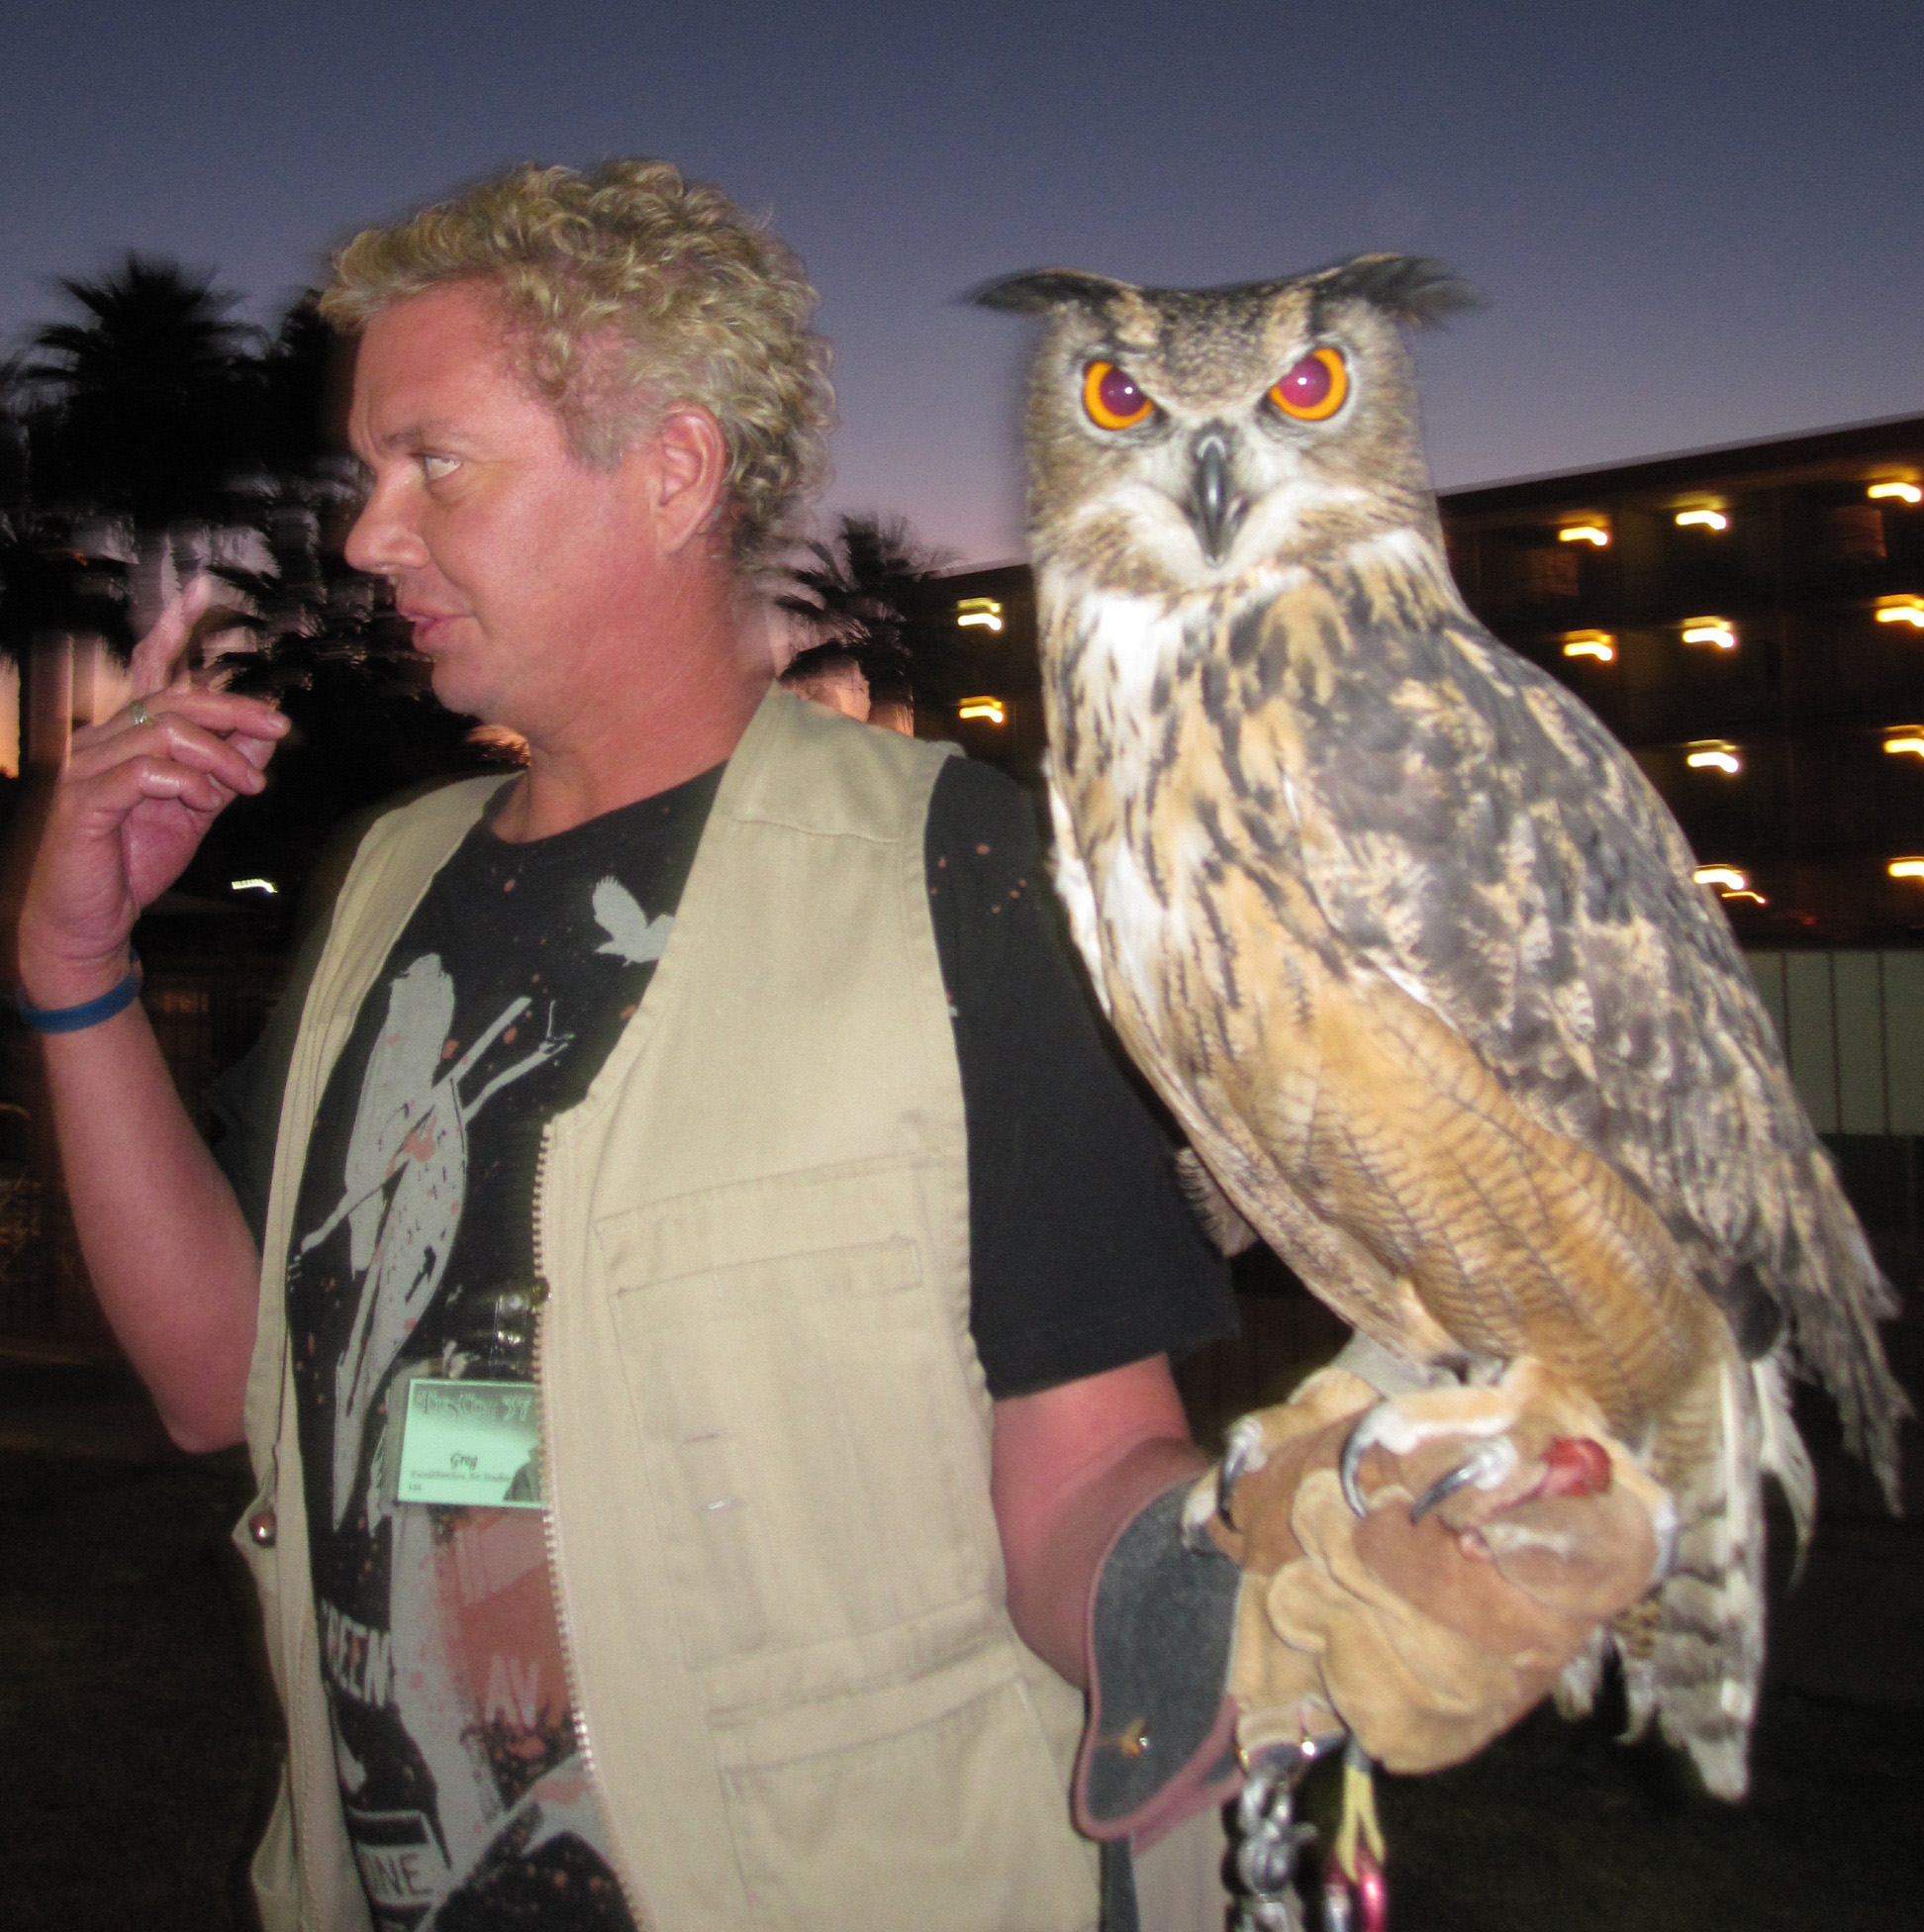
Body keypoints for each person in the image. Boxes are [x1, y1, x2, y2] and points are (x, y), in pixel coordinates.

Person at [17, 161, 1657, 1932]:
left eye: (437, 463)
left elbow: (1080, 1473)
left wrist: (1247, 1591)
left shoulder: (964, 874)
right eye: (366, 473)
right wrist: (76, 967)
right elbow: (222, 1383)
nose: (365, 535)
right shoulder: (386, 880)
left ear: (671, 472)